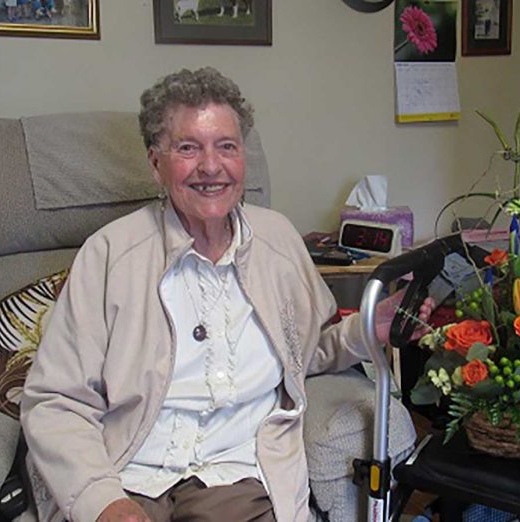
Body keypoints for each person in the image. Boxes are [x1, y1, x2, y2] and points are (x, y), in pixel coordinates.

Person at [21, 67, 433, 522]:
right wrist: (103, 502)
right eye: (188, 148)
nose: (211, 166)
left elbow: (305, 353)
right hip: (126, 471)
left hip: (235, 476)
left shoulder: (277, 241)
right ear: (156, 164)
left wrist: (367, 328)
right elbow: (55, 401)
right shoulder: (110, 254)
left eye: (227, 146)